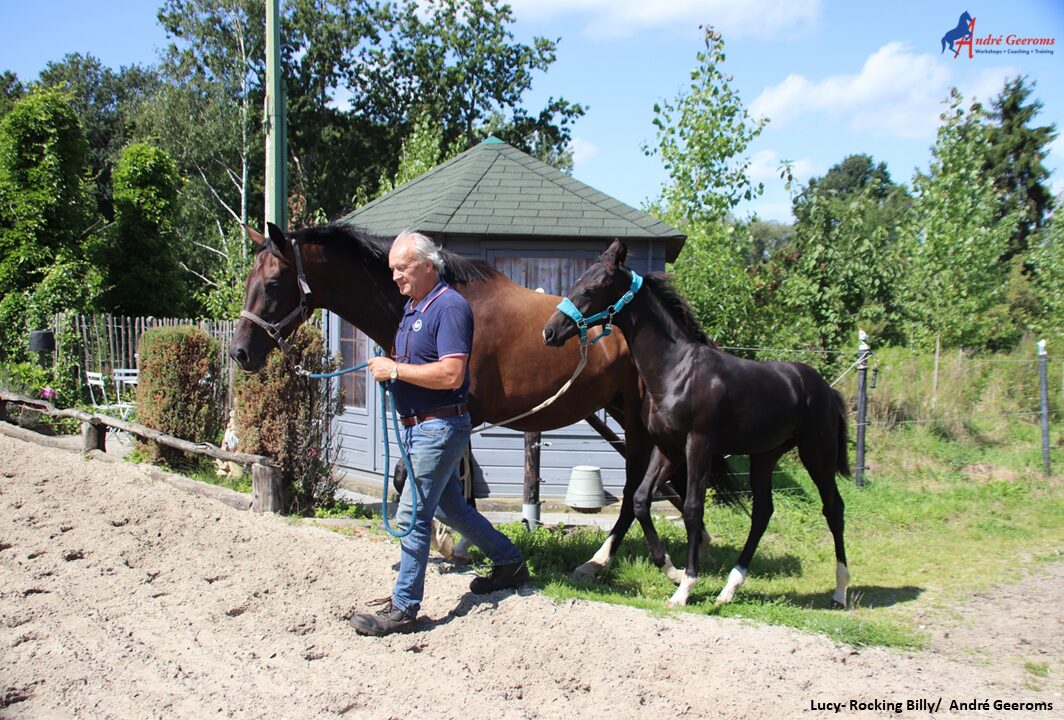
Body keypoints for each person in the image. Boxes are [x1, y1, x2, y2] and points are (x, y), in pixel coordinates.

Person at [349, 231, 529, 636]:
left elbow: (451, 373)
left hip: (438, 428)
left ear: (428, 265)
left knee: (412, 516)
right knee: (451, 509)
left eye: (402, 267)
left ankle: (404, 608)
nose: (394, 276)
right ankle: (509, 561)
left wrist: (394, 370)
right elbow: (422, 365)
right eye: (392, 268)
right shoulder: (415, 308)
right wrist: (396, 371)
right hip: (420, 428)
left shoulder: (449, 307)